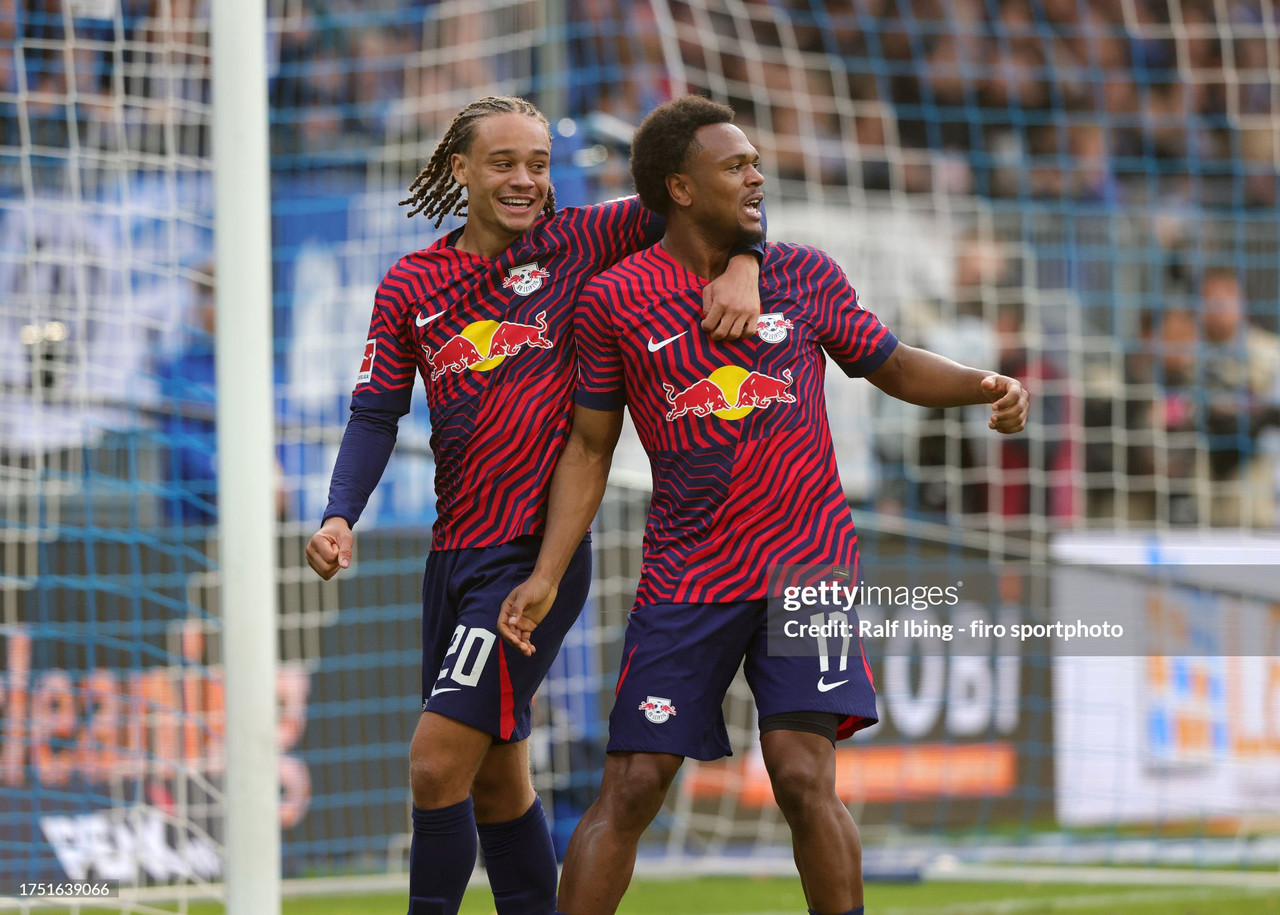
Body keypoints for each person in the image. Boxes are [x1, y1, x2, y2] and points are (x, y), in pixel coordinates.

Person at [499, 95, 1029, 915]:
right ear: (679, 187)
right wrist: (546, 571)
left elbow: (887, 364)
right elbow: (590, 448)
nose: (756, 174)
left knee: (802, 773)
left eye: (754, 162)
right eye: (735, 165)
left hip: (808, 564)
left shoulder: (804, 273)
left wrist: (982, 383)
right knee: (634, 782)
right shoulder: (616, 301)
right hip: (689, 574)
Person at [303, 95, 763, 915]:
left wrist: (744, 264)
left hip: (532, 555)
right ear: (460, 171)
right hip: (452, 557)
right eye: (504, 163)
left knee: (435, 761)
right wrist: (342, 512)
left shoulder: (583, 240)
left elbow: (713, 199)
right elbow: (376, 411)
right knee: (494, 780)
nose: (525, 180)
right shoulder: (411, 284)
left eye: (539, 164)